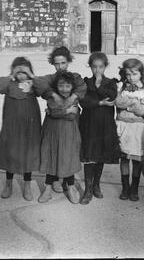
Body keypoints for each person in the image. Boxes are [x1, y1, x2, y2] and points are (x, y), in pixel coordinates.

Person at [33, 45, 86, 194]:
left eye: (63, 63)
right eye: (57, 63)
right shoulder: (51, 79)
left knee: (67, 150)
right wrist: (53, 94)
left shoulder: (74, 77)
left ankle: (68, 184)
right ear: (52, 64)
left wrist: (73, 97)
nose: (60, 66)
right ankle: (54, 179)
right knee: (52, 150)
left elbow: (81, 87)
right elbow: (37, 83)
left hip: (69, 123)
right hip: (53, 125)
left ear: (68, 62)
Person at [0, 57, 41, 201]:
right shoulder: (9, 84)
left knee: (28, 155)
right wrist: (11, 75)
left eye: (24, 72)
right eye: (18, 72)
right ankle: (9, 184)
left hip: (30, 127)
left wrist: (31, 76)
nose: (21, 75)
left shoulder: (33, 84)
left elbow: (45, 87)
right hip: (12, 127)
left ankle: (27, 185)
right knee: (10, 154)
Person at [79, 52, 120, 204]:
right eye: (94, 67)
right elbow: (84, 101)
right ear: (90, 66)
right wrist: (99, 102)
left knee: (100, 155)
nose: (97, 70)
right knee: (89, 156)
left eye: (100, 67)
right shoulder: (85, 82)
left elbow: (112, 96)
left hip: (104, 125)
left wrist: (98, 87)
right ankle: (88, 189)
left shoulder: (110, 83)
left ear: (105, 67)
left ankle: (96, 184)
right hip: (89, 124)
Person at [38, 71, 82, 204]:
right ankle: (48, 189)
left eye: (67, 86)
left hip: (68, 132)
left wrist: (57, 112)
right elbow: (55, 111)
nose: (64, 89)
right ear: (56, 86)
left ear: (72, 87)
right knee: (51, 158)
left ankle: (71, 187)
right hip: (52, 131)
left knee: (67, 158)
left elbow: (72, 116)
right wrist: (66, 110)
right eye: (61, 85)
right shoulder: (53, 97)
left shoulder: (74, 98)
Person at [115, 58, 144, 201]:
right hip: (122, 125)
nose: (131, 77)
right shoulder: (121, 86)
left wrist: (127, 105)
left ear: (141, 74)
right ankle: (125, 188)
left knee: (136, 160)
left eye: (134, 74)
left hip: (137, 127)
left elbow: (143, 110)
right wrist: (134, 103)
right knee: (124, 158)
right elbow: (117, 101)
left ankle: (134, 188)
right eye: (128, 74)